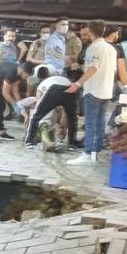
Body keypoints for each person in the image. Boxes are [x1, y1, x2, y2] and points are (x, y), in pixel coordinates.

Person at [66, 21, 117, 166]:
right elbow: (113, 70)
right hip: (106, 90)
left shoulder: (93, 48)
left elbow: (92, 68)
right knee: (100, 123)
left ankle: (87, 154)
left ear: (91, 33)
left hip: (93, 90)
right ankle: (95, 152)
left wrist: (77, 84)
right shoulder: (111, 49)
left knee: (90, 124)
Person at [23, 65, 79, 149]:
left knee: (36, 116)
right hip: (70, 88)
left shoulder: (42, 85)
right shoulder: (57, 77)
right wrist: (63, 123)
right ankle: (72, 143)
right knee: (72, 118)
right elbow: (65, 113)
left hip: (54, 89)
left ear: (39, 79)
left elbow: (38, 103)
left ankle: (28, 141)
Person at [0, 59, 31, 140]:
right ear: (22, 71)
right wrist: (14, 104)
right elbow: (5, 93)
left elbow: (14, 90)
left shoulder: (19, 75)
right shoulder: (11, 72)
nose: (26, 78)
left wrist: (20, 104)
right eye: (26, 76)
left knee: (1, 105)